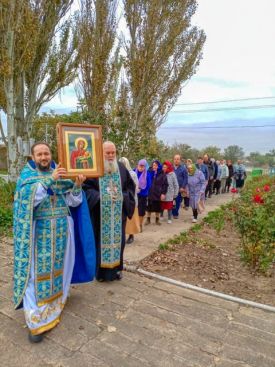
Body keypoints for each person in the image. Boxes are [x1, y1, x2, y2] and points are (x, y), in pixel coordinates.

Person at [13, 142, 96, 343]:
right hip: (38, 235)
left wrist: (76, 185)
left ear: (51, 154)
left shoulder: (62, 173)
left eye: (47, 153)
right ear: (33, 157)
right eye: (40, 154)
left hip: (61, 233)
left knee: (61, 270)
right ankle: (36, 322)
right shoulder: (27, 177)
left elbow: (73, 202)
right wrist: (50, 180)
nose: (44, 157)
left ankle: (55, 307)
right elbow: (26, 201)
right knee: (36, 276)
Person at [83, 141, 135, 282]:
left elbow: (130, 188)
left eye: (113, 152)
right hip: (100, 214)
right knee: (100, 242)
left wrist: (122, 197)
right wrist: (101, 197)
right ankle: (100, 273)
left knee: (119, 243)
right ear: (101, 152)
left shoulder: (122, 168)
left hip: (118, 214)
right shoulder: (95, 168)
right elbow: (86, 188)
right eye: (108, 153)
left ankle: (117, 270)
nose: (111, 155)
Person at [119, 157, 140, 244]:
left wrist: (131, 198)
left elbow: (135, 188)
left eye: (123, 164)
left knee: (131, 220)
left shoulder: (132, 174)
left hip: (130, 200)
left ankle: (131, 235)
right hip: (121, 200)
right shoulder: (118, 173)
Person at [146, 160, 168, 225]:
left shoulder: (162, 173)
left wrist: (163, 193)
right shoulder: (149, 172)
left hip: (158, 193)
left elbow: (165, 184)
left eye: (156, 165)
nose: (154, 167)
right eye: (153, 165)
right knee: (149, 207)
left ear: (158, 166)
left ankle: (157, 220)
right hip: (150, 193)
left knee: (157, 207)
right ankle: (148, 219)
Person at [135, 159, 152, 232]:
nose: (141, 167)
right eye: (140, 166)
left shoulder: (147, 174)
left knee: (141, 211)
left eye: (143, 166)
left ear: (145, 167)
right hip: (135, 195)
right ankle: (135, 225)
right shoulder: (133, 172)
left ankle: (140, 225)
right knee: (135, 210)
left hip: (143, 195)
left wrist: (141, 189)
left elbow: (148, 185)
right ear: (137, 165)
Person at [172, 154, 188, 219]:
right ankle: (173, 212)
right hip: (171, 188)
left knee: (178, 201)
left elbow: (185, 178)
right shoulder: (171, 168)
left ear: (180, 160)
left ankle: (175, 213)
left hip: (179, 188)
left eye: (178, 159)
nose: (176, 160)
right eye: (175, 159)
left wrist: (183, 187)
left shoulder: (183, 169)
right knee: (172, 201)